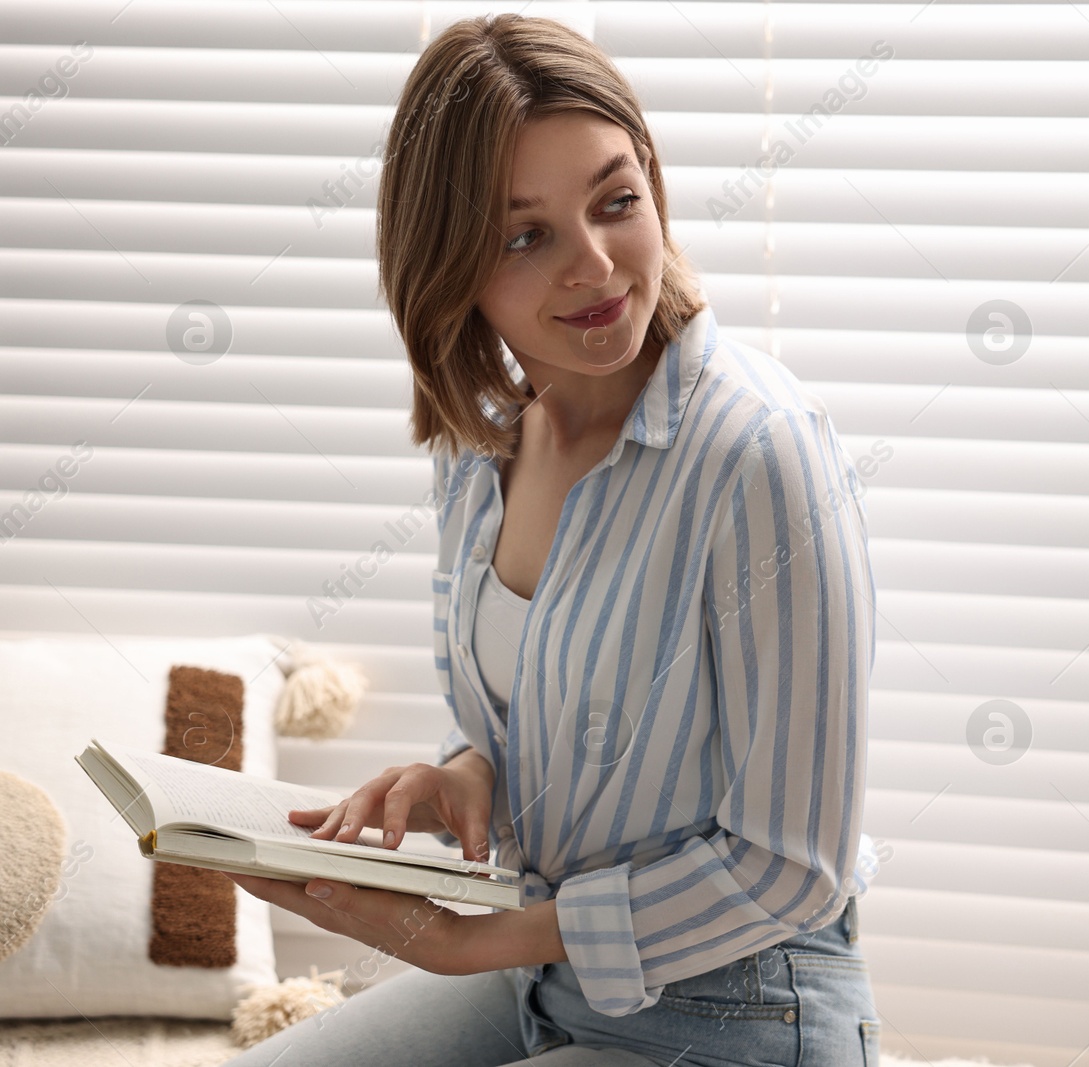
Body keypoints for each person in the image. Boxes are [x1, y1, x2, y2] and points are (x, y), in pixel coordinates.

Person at [220, 13, 881, 1067]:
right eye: (527, 235)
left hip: (745, 1009)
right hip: (543, 980)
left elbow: (792, 865)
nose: (598, 263)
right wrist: (471, 773)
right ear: (453, 266)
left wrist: (469, 941)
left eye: (616, 201)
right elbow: (570, 714)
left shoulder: (760, 453)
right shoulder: (481, 447)